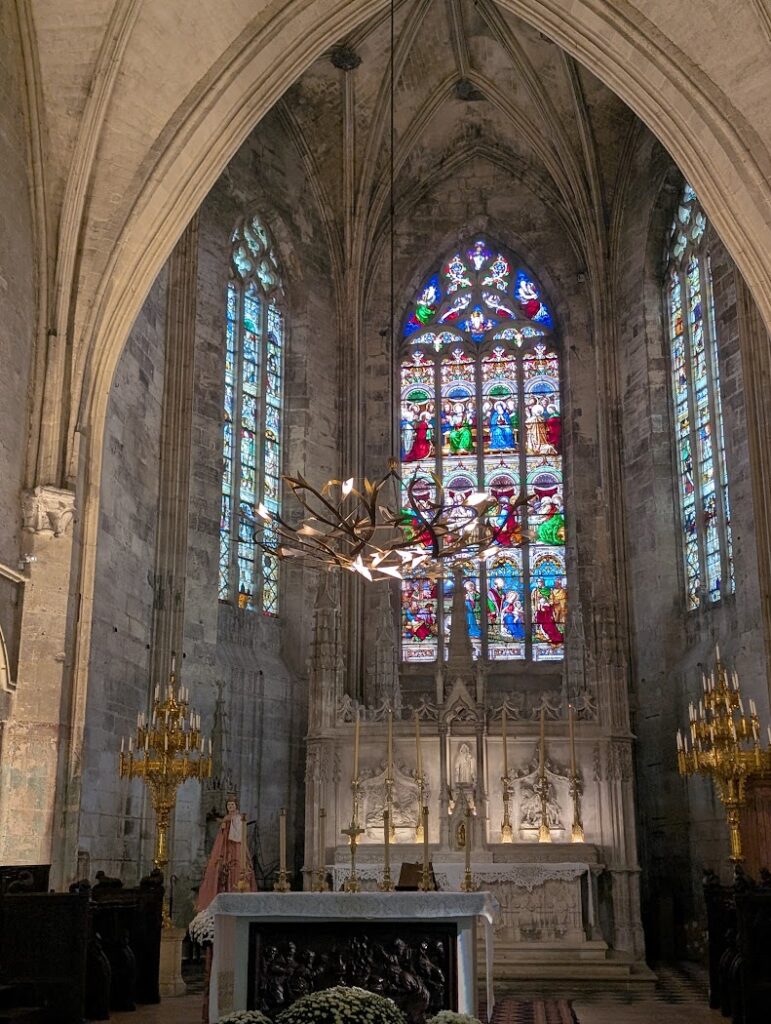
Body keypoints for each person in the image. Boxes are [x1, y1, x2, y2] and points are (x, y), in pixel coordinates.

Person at [196, 796, 257, 910]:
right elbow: (222, 832)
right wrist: (224, 823)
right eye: (229, 805)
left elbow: (239, 832)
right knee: (221, 866)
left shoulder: (239, 817)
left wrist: (232, 821)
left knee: (239, 866)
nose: (230, 807)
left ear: (236, 806)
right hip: (225, 844)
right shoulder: (226, 818)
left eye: (232, 805)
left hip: (236, 844)